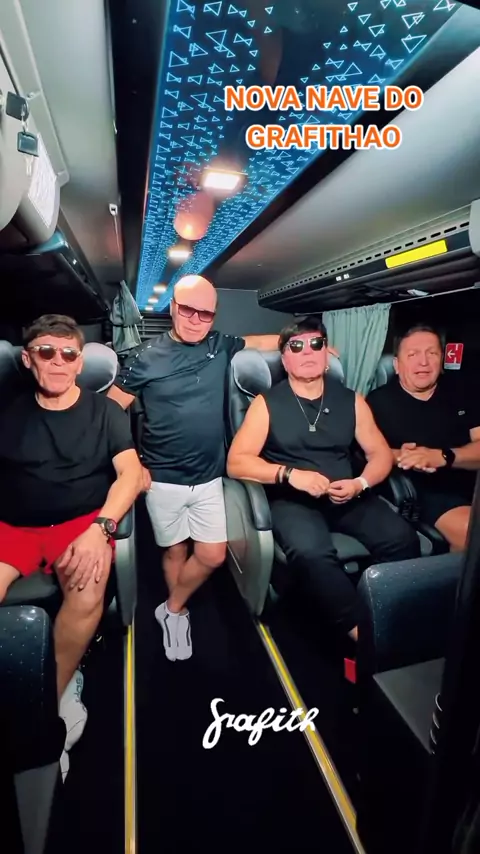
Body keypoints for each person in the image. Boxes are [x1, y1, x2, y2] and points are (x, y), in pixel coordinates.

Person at [108, 275, 339, 661]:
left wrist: (310, 347)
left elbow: (261, 341)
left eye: (206, 314)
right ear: (172, 308)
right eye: (188, 310)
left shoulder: (220, 346)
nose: (196, 320)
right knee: (175, 550)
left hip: (211, 476)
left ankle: (171, 607)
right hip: (162, 478)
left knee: (213, 555)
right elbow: (111, 412)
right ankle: (177, 614)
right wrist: (132, 461)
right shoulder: (145, 357)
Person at [0, 315, 143, 777]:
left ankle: (48, 701)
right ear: (28, 359)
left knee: (87, 588)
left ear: (81, 363)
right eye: (46, 352)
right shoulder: (8, 412)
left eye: (68, 354)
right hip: (13, 525)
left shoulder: (106, 413)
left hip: (79, 521)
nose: (58, 361)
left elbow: (131, 475)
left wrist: (101, 527)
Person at [226, 316, 420, 641]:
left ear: (327, 355)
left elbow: (380, 454)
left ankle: (385, 613)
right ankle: (363, 635)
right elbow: (237, 462)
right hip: (293, 501)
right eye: (296, 346)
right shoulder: (265, 404)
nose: (307, 351)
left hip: (347, 494)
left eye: (316, 344)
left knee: (403, 539)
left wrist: (360, 484)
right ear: (284, 359)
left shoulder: (352, 400)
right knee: (312, 554)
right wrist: (290, 475)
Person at [367, 325, 480, 551]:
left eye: (432, 353)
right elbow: (366, 453)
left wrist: (443, 456)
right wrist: (402, 456)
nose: (424, 362)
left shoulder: (462, 392)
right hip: (424, 491)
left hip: (470, 480)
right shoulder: (378, 402)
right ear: (396, 365)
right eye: (413, 355)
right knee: (472, 531)